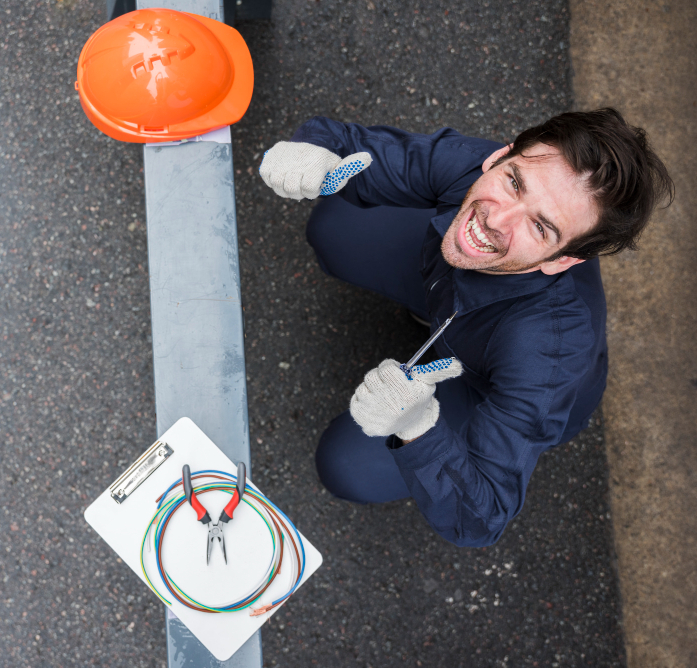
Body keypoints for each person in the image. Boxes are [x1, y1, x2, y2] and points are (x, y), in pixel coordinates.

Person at [258, 108, 673, 547]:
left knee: (346, 466)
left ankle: (441, 355)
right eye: (514, 182)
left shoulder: (547, 354)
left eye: (541, 226)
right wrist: (310, 151)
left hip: (489, 384)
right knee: (335, 226)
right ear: (499, 157)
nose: (498, 218)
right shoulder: (476, 166)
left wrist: (417, 426)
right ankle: (435, 315)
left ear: (563, 260)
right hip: (460, 292)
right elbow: (349, 145)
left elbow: (481, 517)